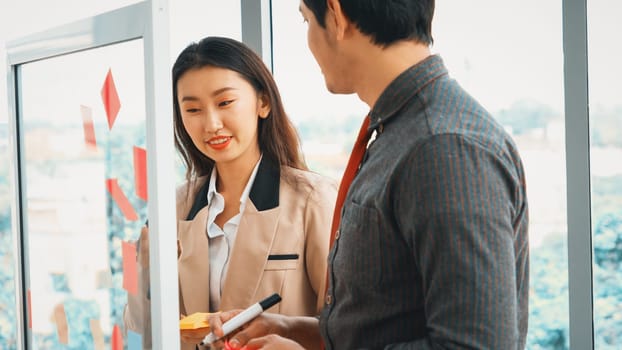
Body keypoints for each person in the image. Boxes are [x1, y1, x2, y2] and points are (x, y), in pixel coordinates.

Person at [208, 0, 530, 349]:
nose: (310, 43)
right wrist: (295, 330)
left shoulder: (442, 147)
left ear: (335, 14)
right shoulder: (405, 132)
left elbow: (474, 346)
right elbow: (386, 324)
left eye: (306, 21)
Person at [123, 36, 337, 350]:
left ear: (263, 102)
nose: (211, 124)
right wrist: (145, 271)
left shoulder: (314, 200)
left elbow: (347, 328)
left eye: (225, 103)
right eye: (193, 109)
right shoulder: (173, 208)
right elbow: (142, 333)